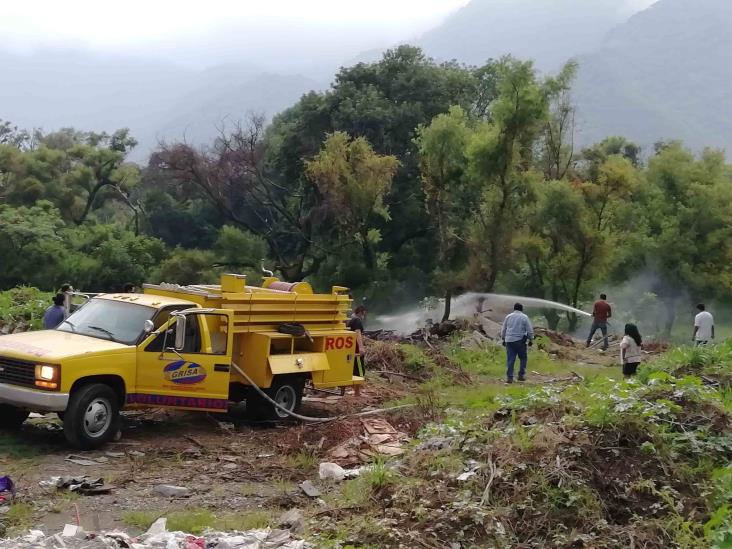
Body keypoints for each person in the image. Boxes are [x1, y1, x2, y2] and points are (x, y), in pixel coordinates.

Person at [501, 303, 534, 383]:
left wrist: (503, 339)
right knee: (523, 358)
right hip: (520, 341)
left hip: (509, 340)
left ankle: (510, 377)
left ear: (514, 309)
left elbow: (503, 329)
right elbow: (529, 330)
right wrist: (531, 339)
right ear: (521, 309)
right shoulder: (524, 317)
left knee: (510, 359)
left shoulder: (508, 317)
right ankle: (521, 375)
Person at [346, 305, 367, 397]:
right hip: (357, 350)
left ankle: (354, 390)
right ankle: (357, 393)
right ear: (361, 312)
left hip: (350, 349)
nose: (364, 315)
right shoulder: (357, 320)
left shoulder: (350, 320)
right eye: (364, 313)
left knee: (353, 369)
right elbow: (358, 333)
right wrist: (361, 348)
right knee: (359, 370)